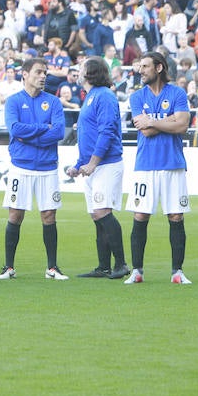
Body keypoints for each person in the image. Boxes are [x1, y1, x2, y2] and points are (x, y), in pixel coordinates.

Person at [125, 51, 192, 285]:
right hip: (145, 165)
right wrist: (169, 120)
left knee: (175, 215)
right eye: (139, 66)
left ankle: (177, 271)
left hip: (173, 164)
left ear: (159, 68)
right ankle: (137, 271)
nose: (140, 70)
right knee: (140, 214)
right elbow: (145, 131)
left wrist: (153, 120)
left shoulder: (177, 93)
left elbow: (182, 125)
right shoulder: (136, 97)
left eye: (145, 66)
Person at [0, 57, 68, 280]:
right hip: (21, 167)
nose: (43, 76)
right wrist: (42, 129)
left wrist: (30, 136)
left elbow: (58, 133)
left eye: (45, 72)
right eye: (38, 72)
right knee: (15, 214)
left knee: (49, 215)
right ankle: (8, 267)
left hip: (47, 168)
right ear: (25, 75)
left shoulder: (54, 102)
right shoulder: (14, 102)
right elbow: (15, 129)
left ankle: (52, 267)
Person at [67, 56, 129, 279]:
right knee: (96, 214)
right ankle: (104, 266)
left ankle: (121, 264)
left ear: (90, 72)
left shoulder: (104, 96)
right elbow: (89, 135)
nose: (78, 71)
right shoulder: (91, 97)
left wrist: (92, 162)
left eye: (81, 68)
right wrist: (78, 165)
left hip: (107, 164)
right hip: (95, 165)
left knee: (103, 212)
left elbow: (107, 131)